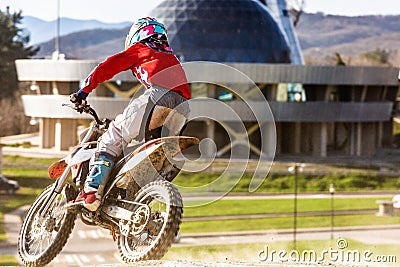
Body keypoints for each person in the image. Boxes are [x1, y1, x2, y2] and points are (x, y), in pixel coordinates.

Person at [69, 17, 191, 211]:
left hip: (158, 97)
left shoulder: (141, 49)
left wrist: (83, 91)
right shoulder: (171, 56)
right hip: (183, 108)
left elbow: (107, 67)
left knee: (113, 136)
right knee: (136, 148)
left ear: (138, 35)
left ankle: (91, 192)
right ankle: (127, 204)